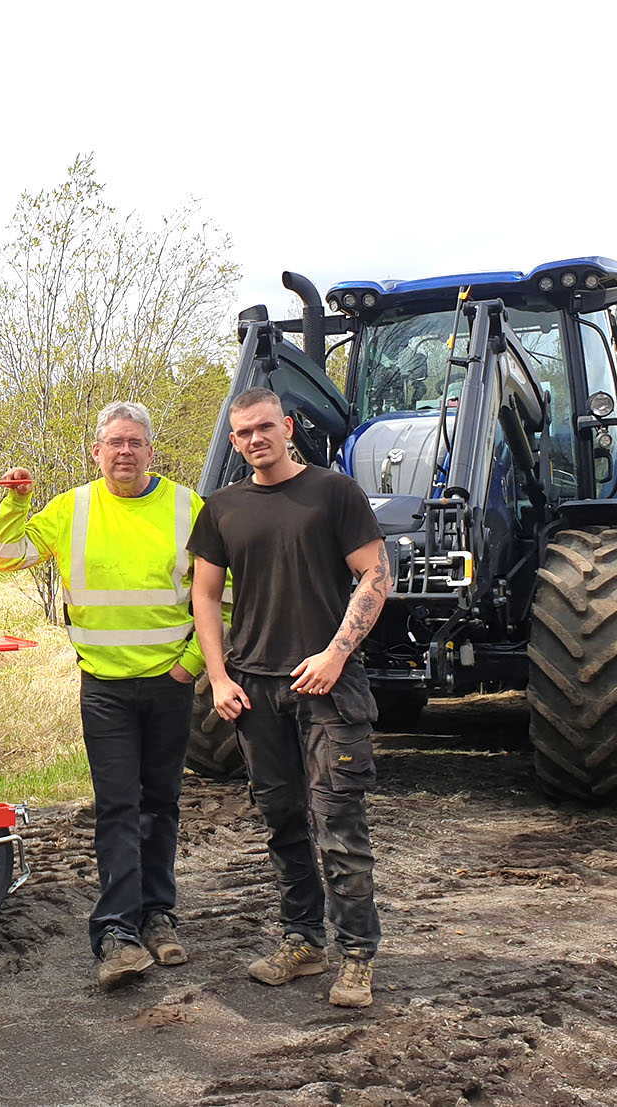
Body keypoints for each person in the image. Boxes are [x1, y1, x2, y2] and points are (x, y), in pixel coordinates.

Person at [0, 400, 207, 989]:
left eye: (135, 443)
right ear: (97, 451)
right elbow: (5, 559)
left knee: (160, 804)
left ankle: (159, 915)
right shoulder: (73, 508)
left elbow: (225, 591)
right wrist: (15, 499)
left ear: (151, 451)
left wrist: (191, 665)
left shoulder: (188, 507)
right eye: (114, 443)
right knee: (117, 807)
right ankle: (116, 931)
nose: (125, 453)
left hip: (170, 683)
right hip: (105, 687)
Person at [187, 385, 392, 1008]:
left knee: (338, 822)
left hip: (329, 686)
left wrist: (336, 654)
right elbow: (204, 595)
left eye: (265, 427)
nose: (255, 439)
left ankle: (356, 955)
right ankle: (302, 940)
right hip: (255, 690)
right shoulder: (221, 508)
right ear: (233, 439)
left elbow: (376, 574)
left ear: (289, 426)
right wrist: (219, 678)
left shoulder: (333, 492)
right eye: (243, 431)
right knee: (281, 821)